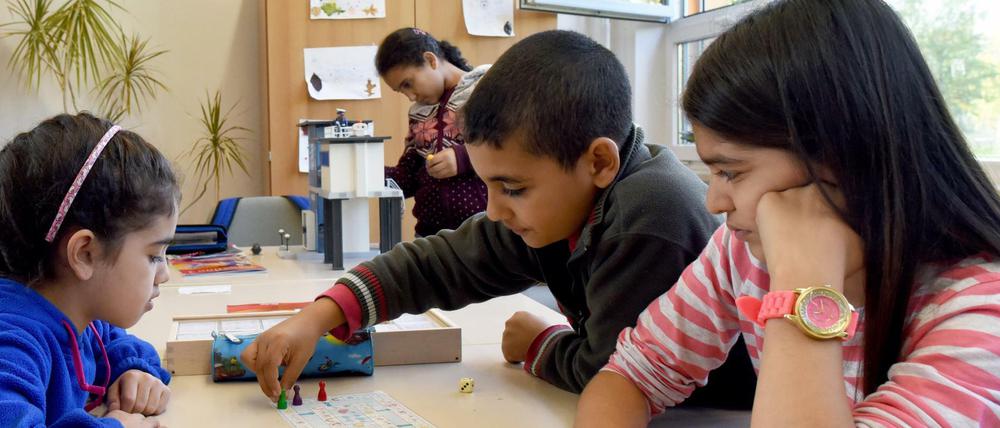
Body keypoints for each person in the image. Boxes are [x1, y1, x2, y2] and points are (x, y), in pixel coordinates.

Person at [242, 30, 758, 403]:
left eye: (512, 187)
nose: (493, 209)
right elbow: (439, 263)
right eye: (488, 183)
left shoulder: (650, 213)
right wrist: (319, 316)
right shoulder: (560, 204)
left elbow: (612, 375)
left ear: (598, 162)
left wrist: (540, 342)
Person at [575, 0, 1000, 426]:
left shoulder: (979, 308)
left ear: (841, 157)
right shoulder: (742, 252)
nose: (714, 202)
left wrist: (803, 286)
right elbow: (632, 373)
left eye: (731, 172)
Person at [0, 113, 180, 427]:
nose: (164, 274)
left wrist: (132, 371)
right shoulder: (13, 344)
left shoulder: (80, 313)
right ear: (85, 254)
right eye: (154, 255)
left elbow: (111, 341)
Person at [377, 27, 489, 236]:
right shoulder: (419, 114)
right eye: (402, 91)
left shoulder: (484, 90)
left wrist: (463, 158)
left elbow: (512, 147)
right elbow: (407, 177)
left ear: (430, 60)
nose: (410, 96)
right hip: (429, 237)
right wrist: (364, 172)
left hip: (481, 234)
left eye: (408, 84)